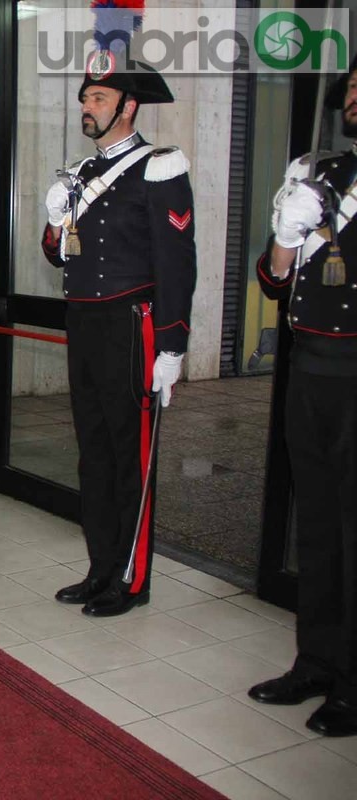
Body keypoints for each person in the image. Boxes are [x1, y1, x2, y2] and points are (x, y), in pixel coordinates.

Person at [40, 49, 196, 617]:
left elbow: (178, 263)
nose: (87, 106)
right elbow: (58, 256)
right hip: (83, 323)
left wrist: (173, 344)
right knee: (94, 456)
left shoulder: (160, 166)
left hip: (132, 327)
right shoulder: (81, 174)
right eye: (85, 97)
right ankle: (100, 567)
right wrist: (55, 222)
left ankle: (130, 578)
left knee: (130, 456)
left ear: (128, 106)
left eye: (99, 98)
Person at [246, 57, 357, 738]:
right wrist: (288, 237)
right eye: (351, 88)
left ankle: (352, 682)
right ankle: (316, 659)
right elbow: (273, 281)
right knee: (315, 526)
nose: (353, 98)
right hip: (309, 368)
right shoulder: (323, 173)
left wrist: (335, 225)